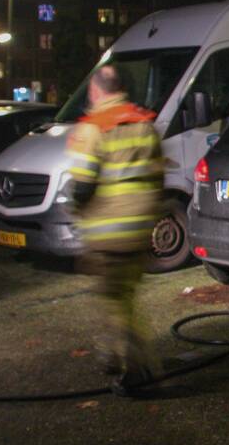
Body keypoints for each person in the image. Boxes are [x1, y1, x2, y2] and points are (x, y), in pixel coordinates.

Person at [65, 65, 165, 393]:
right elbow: (158, 176)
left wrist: (78, 214)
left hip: (108, 231)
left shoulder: (93, 128)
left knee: (116, 301)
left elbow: (82, 186)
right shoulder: (144, 123)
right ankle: (116, 357)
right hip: (138, 228)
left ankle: (140, 371)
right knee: (123, 296)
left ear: (95, 91)